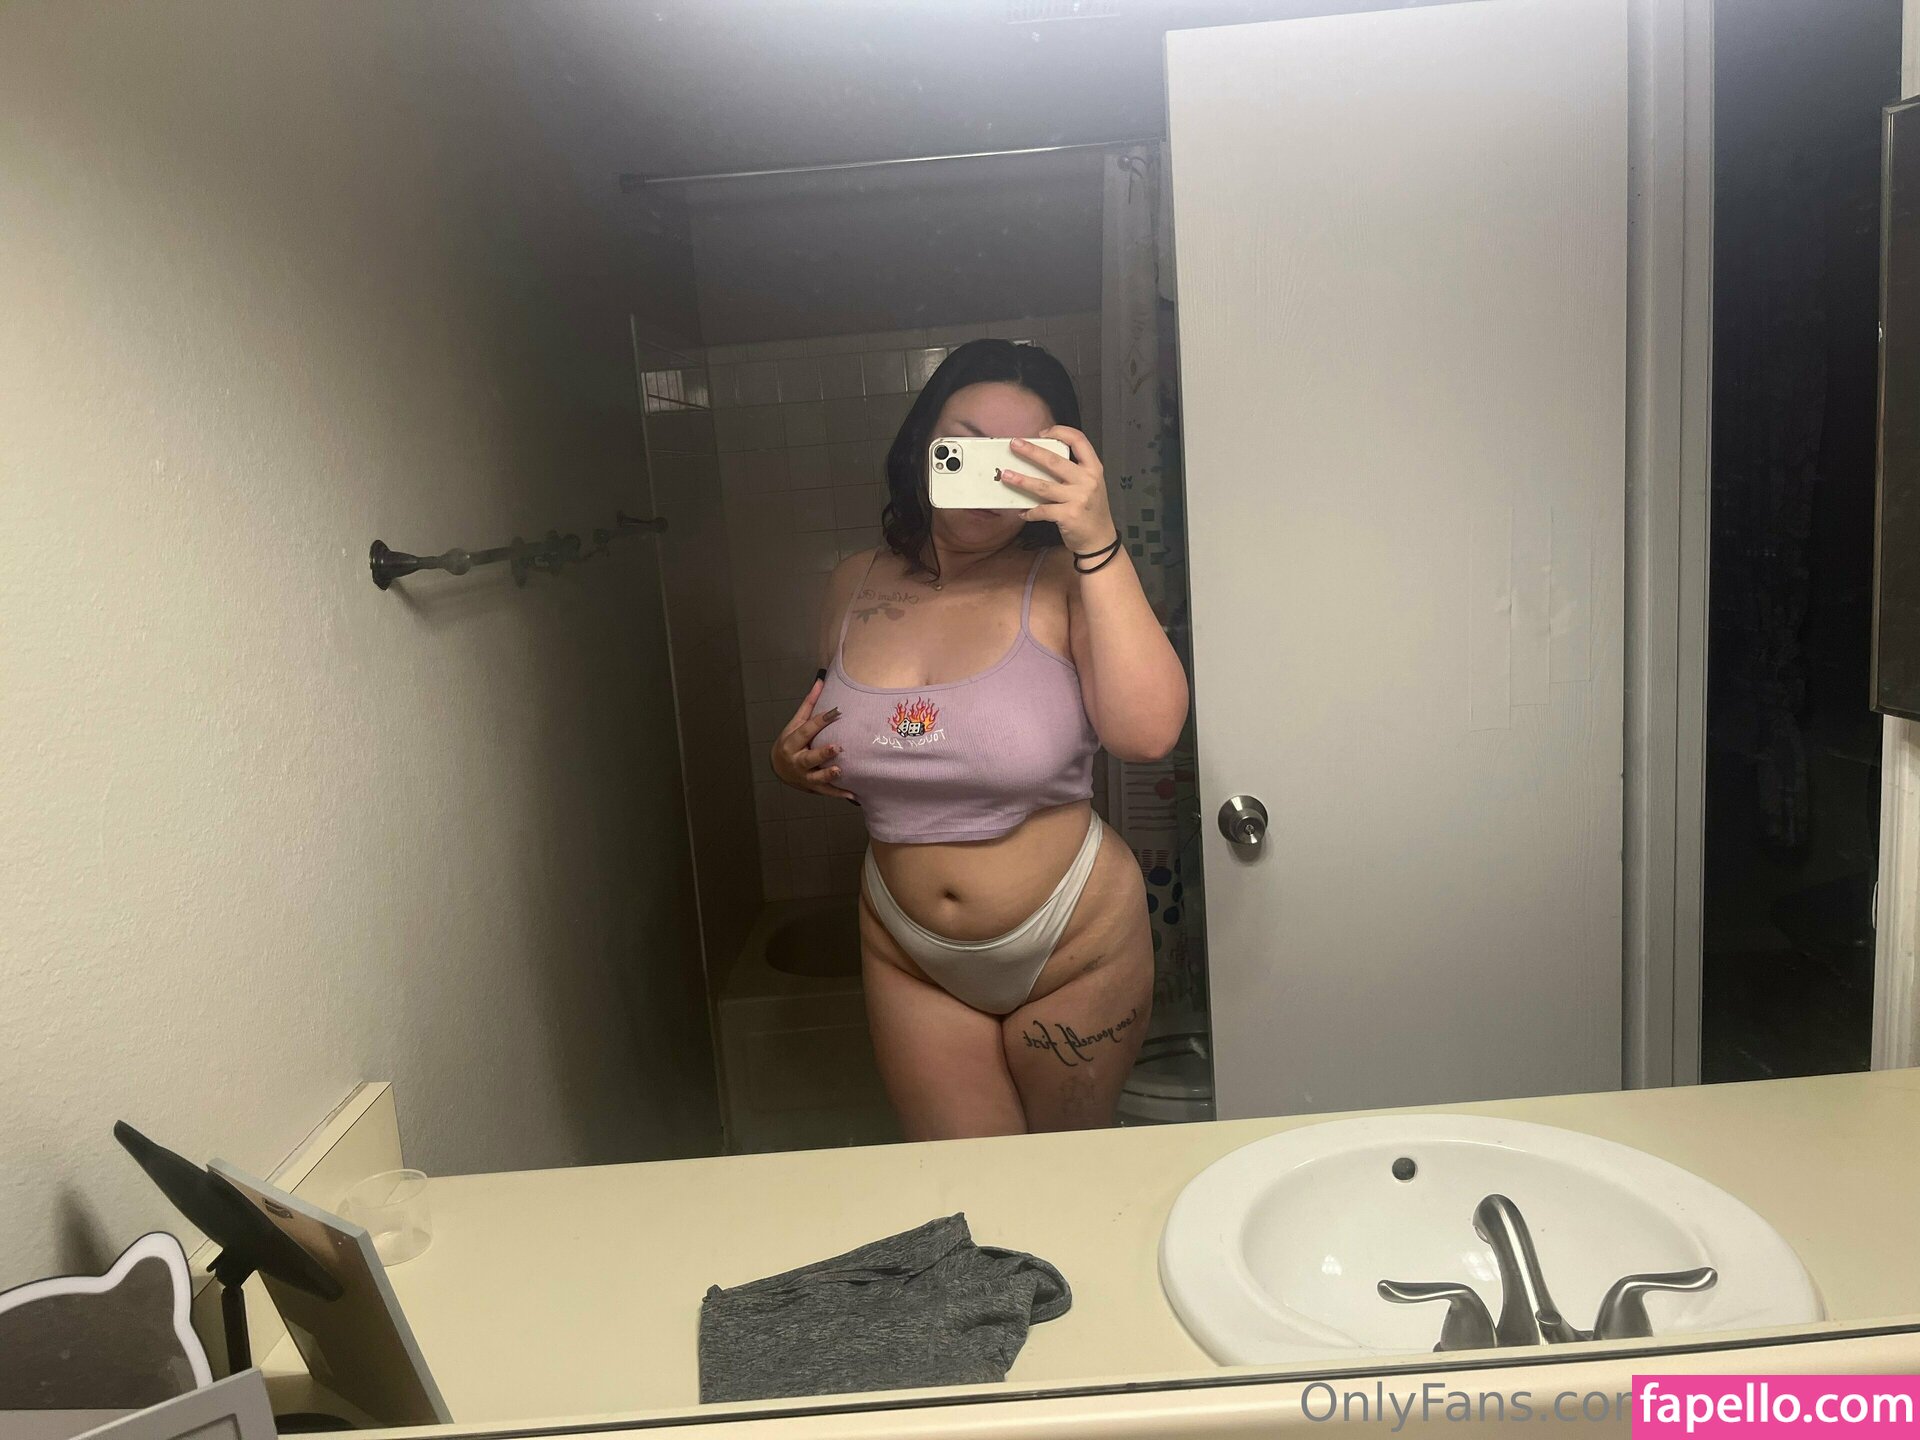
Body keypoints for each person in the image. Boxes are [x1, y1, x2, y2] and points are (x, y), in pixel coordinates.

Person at [769, 339, 1188, 1138]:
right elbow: (848, 731)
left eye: (1018, 457)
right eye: (966, 442)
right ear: (924, 443)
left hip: (1074, 943)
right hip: (906, 949)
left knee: (1065, 1180)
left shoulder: (1070, 580)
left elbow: (1147, 735)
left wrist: (1097, 539)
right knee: (966, 1190)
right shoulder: (852, 580)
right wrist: (790, 763)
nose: (989, 476)